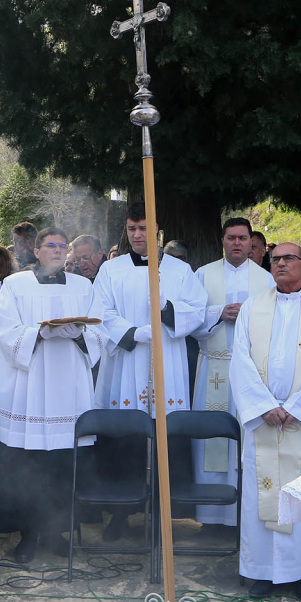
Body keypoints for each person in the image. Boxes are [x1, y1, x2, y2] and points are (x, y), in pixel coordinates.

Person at [230, 242, 301, 602]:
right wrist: (263, 406)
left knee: (298, 498)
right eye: (275, 259)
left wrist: (297, 407)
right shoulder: (253, 306)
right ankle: (261, 571)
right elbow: (240, 360)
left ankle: (297, 572)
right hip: (263, 418)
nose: (280, 264)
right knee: (260, 497)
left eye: (288, 258)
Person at [90, 201, 208, 541]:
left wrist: (168, 309)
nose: (137, 235)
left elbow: (197, 309)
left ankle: (160, 515)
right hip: (127, 362)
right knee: (125, 441)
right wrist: (131, 333)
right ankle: (121, 514)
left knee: (164, 442)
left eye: (143, 228)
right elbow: (100, 310)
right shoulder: (111, 270)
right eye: (132, 229)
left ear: (157, 231)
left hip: (166, 361)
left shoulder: (179, 270)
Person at [0, 227, 106, 563]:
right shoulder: (15, 285)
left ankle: (55, 532)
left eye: (61, 246)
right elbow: (5, 330)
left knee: (61, 463)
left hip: (69, 388)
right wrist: (40, 333)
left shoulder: (83, 287)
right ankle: (27, 535)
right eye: (50, 245)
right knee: (28, 462)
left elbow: (101, 331)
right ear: (37, 251)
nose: (57, 250)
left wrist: (79, 334)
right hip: (30, 386)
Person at [190, 218, 273, 529]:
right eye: (231, 238)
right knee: (209, 440)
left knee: (246, 439)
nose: (237, 243)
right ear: (222, 241)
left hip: (250, 371)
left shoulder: (265, 278)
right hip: (213, 365)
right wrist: (218, 313)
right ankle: (210, 517)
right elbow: (189, 318)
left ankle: (243, 516)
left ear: (251, 242)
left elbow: (275, 322)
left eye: (242, 238)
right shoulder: (203, 274)